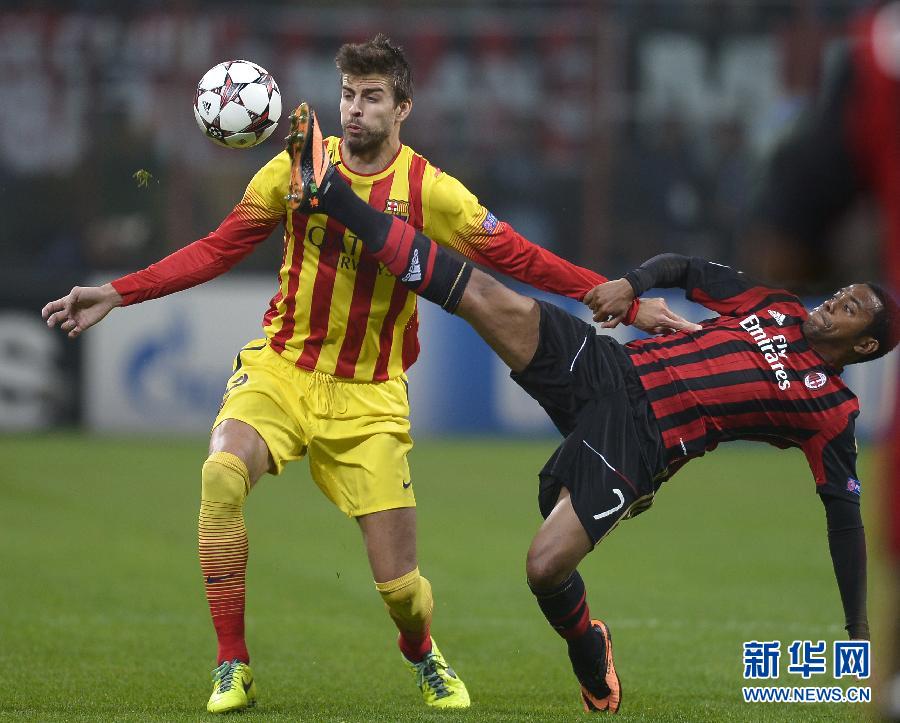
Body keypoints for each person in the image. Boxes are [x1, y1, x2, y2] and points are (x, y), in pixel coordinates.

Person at [40, 36, 690, 714]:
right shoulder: (293, 170)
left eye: (372, 97)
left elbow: (520, 258)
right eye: (347, 94)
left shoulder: (430, 191)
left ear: (403, 107)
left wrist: (625, 298)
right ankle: (232, 663)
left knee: (401, 591)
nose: (354, 110)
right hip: (282, 368)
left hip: (370, 396)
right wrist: (117, 291)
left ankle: (422, 652)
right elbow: (218, 248)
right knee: (220, 473)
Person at [280, 103, 899, 712]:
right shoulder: (777, 304)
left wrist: (858, 632)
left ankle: (587, 645)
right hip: (613, 369)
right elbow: (684, 268)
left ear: (864, 344)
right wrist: (632, 285)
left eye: (848, 308)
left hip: (642, 442)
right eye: (841, 293)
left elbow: (844, 520)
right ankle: (333, 196)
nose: (832, 303)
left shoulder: (832, 411)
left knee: (543, 567)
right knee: (484, 297)